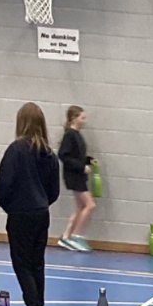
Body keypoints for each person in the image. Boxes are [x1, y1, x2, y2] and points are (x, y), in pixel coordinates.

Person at [0, 102, 60, 306]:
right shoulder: (49, 154)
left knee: (22, 263)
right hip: (41, 212)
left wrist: (10, 206)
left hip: (21, 213)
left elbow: (4, 182)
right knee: (36, 263)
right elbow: (54, 191)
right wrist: (41, 203)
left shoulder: (16, 150)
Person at [58, 105, 95, 252]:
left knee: (80, 206)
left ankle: (66, 236)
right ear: (74, 118)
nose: (84, 121)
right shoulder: (70, 135)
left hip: (77, 175)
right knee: (90, 205)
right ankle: (76, 235)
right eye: (82, 118)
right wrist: (81, 167)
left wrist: (87, 160)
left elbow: (76, 155)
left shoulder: (76, 134)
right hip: (74, 176)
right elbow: (63, 155)